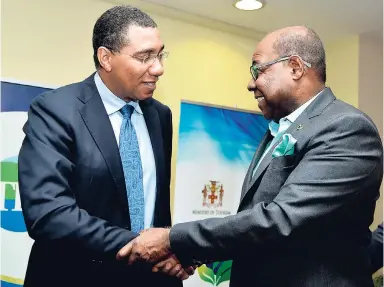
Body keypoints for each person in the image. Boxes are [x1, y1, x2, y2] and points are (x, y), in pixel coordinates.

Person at [116, 26, 384, 287]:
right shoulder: (279, 129)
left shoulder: (347, 128)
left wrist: (173, 240)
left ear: (295, 67)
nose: (251, 83)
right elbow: (255, 223)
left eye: (258, 69)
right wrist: (193, 254)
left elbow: (281, 220)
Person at [18, 5, 190, 287]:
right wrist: (142, 244)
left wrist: (172, 251)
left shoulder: (160, 116)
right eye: (145, 56)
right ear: (106, 57)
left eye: (160, 55)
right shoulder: (55, 111)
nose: (159, 68)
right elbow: (48, 214)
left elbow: (157, 208)